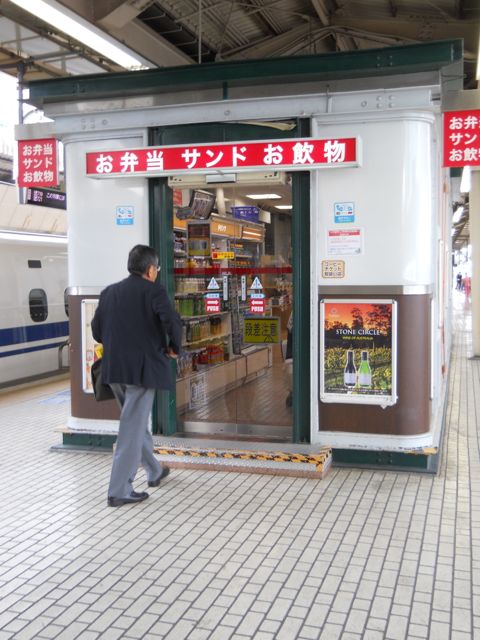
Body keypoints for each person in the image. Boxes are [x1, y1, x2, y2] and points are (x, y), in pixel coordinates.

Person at [92, 244, 182, 507]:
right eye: (157, 268)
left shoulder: (109, 292)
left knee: (135, 423)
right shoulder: (154, 291)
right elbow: (172, 322)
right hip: (142, 372)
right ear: (151, 270)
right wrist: (174, 348)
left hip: (114, 370)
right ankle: (119, 490)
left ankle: (154, 470)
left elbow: (97, 331)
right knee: (131, 427)